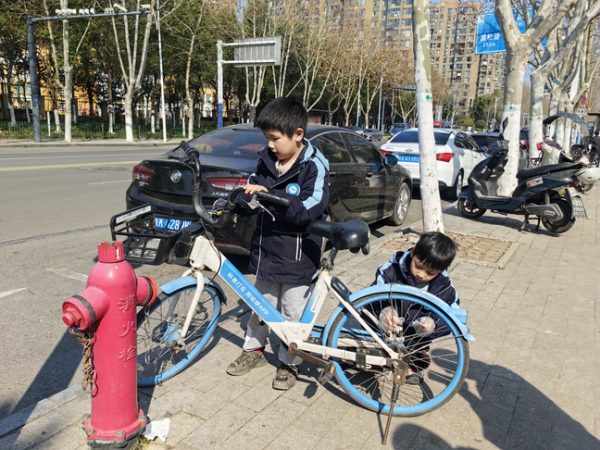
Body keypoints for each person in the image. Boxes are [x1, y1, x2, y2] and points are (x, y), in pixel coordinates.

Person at [214, 97, 330, 390]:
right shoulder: (265, 160)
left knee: (293, 314)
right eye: (267, 138)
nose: (270, 145)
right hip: (267, 252)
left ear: (298, 134)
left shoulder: (314, 166)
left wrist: (267, 195)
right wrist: (237, 201)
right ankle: (253, 350)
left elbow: (307, 210)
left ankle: (290, 362)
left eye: (275, 138)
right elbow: (249, 193)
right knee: (260, 307)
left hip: (299, 258)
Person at [369, 232, 458, 384]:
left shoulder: (444, 288)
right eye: (419, 266)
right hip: (385, 328)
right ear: (412, 252)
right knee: (370, 321)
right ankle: (371, 355)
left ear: (441, 270)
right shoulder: (390, 271)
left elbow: (452, 316)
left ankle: (413, 366)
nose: (421, 275)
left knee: (419, 350)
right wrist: (384, 311)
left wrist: (432, 324)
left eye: (431, 273)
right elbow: (371, 297)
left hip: (413, 335)